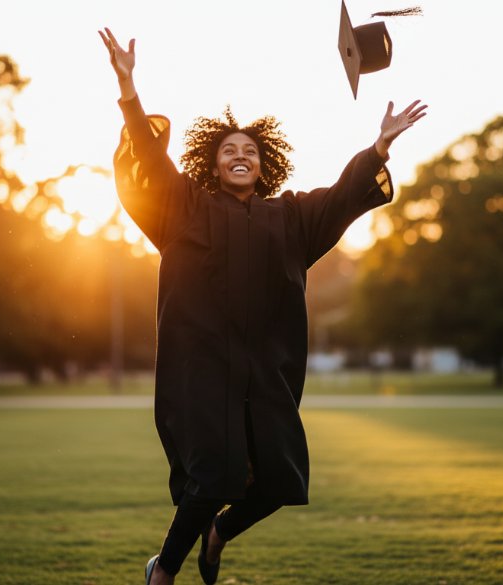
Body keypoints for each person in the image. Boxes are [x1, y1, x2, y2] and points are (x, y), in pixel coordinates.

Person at [98, 27, 427, 585]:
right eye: (229, 151)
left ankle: (220, 532)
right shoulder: (187, 210)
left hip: (265, 373)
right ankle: (164, 570)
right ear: (214, 163)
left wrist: (378, 148)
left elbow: (343, 195)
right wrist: (130, 92)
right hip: (203, 371)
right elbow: (152, 163)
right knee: (212, 475)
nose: (240, 156)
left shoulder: (290, 219)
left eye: (249, 150)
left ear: (264, 162)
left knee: (281, 479)